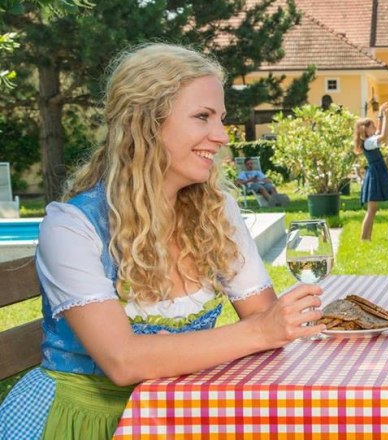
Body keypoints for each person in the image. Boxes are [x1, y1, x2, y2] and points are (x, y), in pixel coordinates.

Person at [0, 43, 325, 440]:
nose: (221, 136)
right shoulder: (71, 227)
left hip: (179, 412)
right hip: (82, 422)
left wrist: (257, 330)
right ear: (145, 123)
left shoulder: (216, 211)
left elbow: (265, 316)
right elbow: (122, 361)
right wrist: (259, 332)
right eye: (202, 117)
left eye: (221, 118)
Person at [353, 102, 388, 241]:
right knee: (371, 210)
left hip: (375, 173)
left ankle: (367, 238)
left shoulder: (369, 140)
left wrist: (381, 114)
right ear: (365, 130)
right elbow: (384, 135)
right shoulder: (369, 142)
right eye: (372, 126)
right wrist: (386, 115)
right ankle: (364, 239)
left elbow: (378, 132)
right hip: (375, 175)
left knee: (373, 209)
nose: (375, 127)